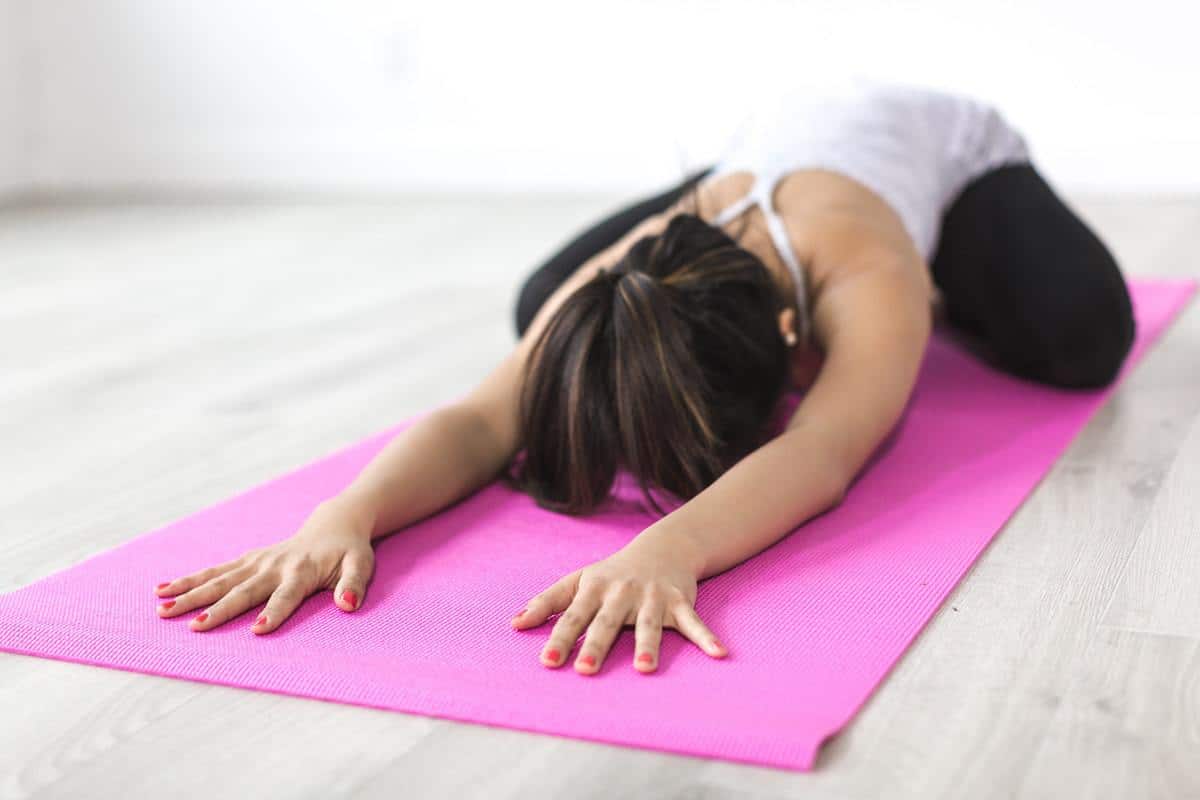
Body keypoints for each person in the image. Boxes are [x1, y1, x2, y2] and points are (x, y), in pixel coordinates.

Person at [152, 78, 1136, 676]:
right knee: (550, 305)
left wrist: (670, 547)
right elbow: (478, 418)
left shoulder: (869, 274)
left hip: (944, 159)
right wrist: (342, 514)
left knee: (1086, 338)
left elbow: (826, 450)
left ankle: (958, 282)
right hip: (759, 160)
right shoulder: (634, 266)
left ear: (800, 342)